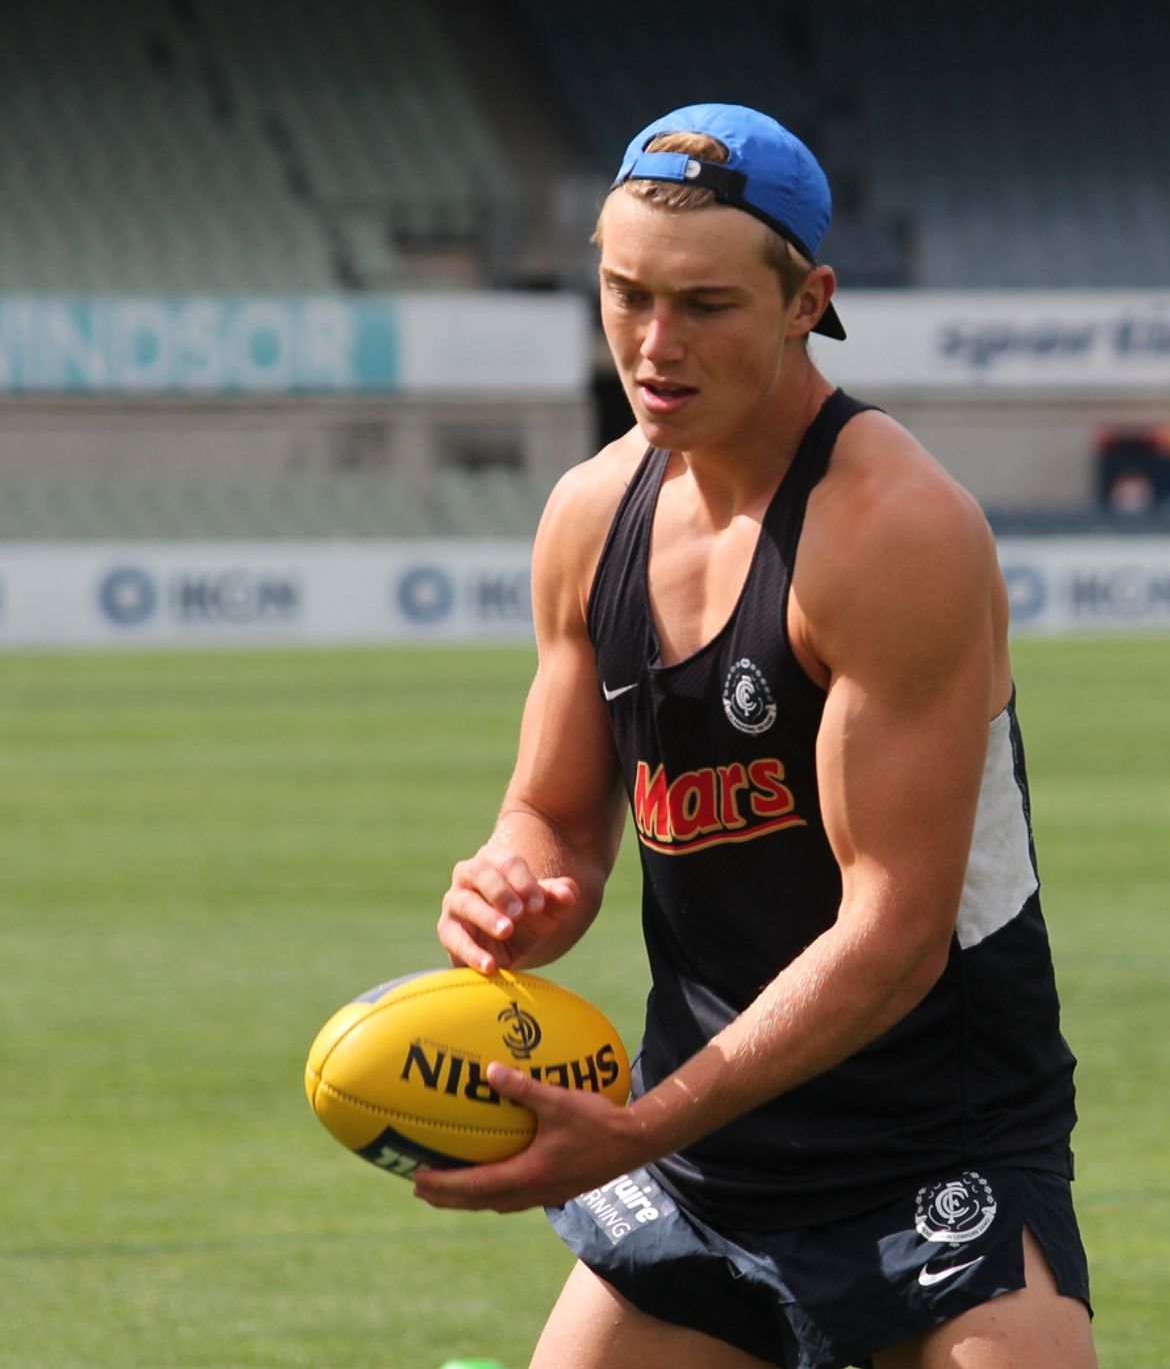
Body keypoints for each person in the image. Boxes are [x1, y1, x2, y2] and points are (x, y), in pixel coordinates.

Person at [415, 103, 1097, 1369]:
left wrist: (641, 1123)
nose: (653, 344)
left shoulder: (891, 529)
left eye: (705, 305)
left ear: (805, 302)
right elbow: (554, 811)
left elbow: (890, 939)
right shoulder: (589, 515)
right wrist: (522, 881)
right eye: (625, 294)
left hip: (930, 1143)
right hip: (704, 1153)